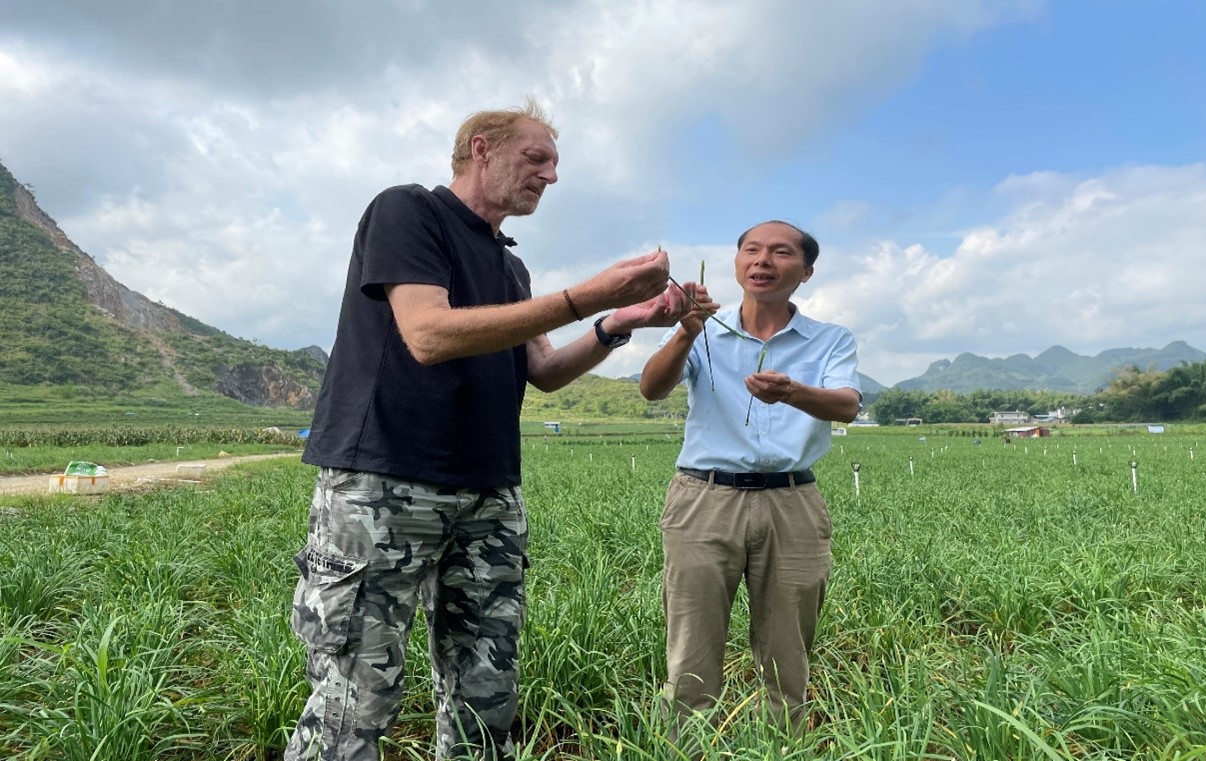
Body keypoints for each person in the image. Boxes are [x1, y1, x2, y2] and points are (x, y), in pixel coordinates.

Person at [286, 100, 689, 761]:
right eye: (536, 158)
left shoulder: (509, 268)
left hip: (489, 492)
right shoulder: (408, 211)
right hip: (385, 482)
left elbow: (545, 370)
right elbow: (426, 333)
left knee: (486, 691)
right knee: (355, 696)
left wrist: (619, 321)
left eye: (554, 164)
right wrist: (590, 294)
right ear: (482, 148)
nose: (551, 176)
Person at [639, 220, 861, 735]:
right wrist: (686, 331)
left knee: (788, 657)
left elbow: (846, 405)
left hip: (792, 501)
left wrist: (791, 392)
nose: (763, 261)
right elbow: (652, 388)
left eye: (781, 252)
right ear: (737, 264)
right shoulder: (703, 330)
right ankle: (686, 745)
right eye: (752, 251)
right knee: (691, 652)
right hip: (704, 498)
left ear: (805, 271)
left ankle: (781, 746)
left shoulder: (830, 339)